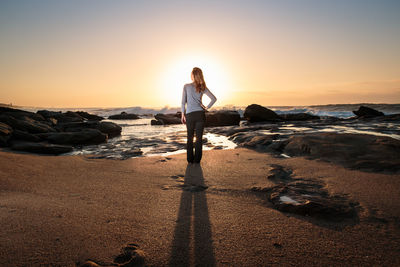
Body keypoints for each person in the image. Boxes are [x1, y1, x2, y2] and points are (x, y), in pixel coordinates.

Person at [181, 67, 217, 163]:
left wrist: (182, 115)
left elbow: (183, 102)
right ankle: (197, 161)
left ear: (192, 75)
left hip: (190, 115)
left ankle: (190, 160)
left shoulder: (186, 86)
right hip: (200, 114)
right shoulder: (202, 87)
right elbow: (214, 99)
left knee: (190, 138)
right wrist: (206, 107)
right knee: (199, 139)